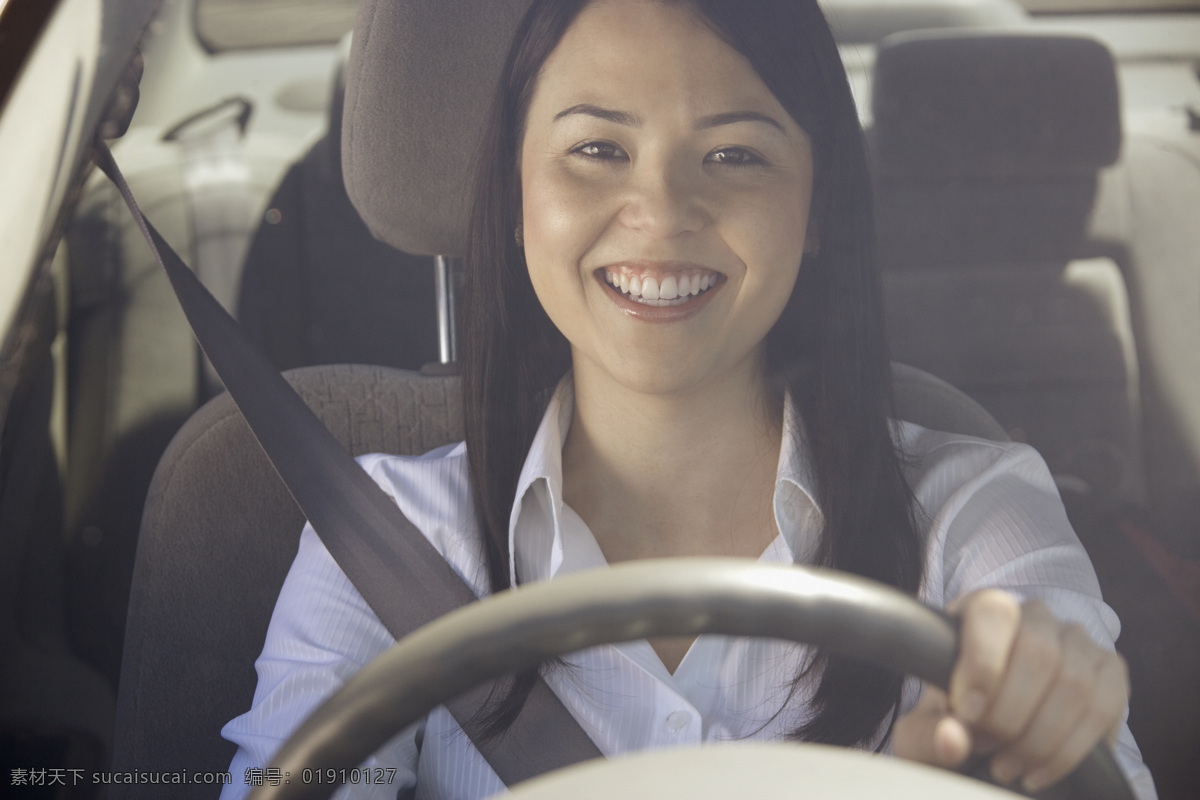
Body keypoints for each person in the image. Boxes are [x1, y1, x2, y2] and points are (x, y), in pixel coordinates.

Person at [221, 0, 1156, 797]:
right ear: (513, 193)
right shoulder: (380, 548)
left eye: (735, 156)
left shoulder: (977, 514)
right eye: (596, 147)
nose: (661, 212)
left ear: (818, 202)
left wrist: (1038, 717)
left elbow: (1072, 724)